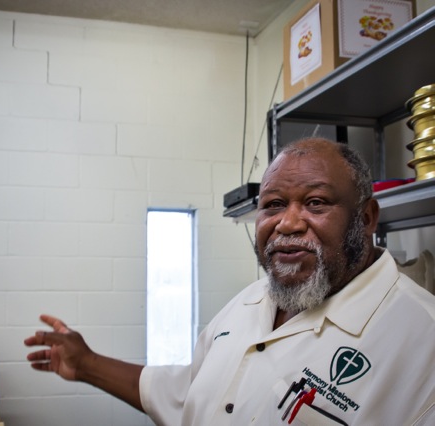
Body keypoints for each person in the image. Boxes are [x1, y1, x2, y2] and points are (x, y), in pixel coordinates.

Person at [24, 138, 435, 425]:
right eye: (273, 205)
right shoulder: (249, 304)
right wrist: (87, 363)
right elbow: (185, 395)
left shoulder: (422, 341)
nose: (287, 223)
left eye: (315, 202)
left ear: (365, 219)